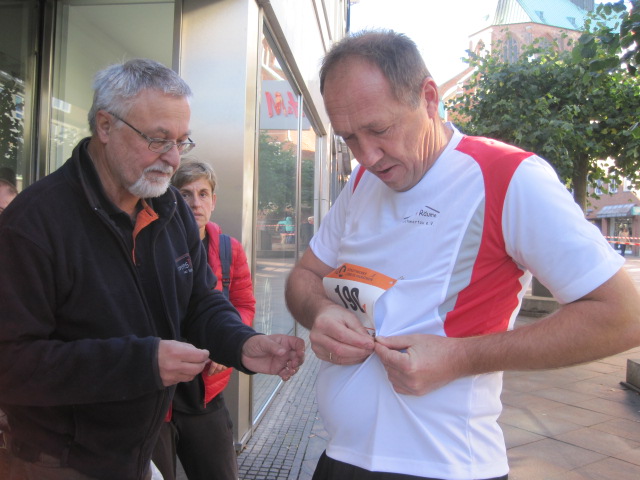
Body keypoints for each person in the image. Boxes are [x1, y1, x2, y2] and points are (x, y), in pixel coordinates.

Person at [284, 30, 640, 480]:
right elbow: (304, 277)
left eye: (380, 129)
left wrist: (461, 357)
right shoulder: (360, 183)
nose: (367, 156)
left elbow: (624, 316)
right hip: (340, 458)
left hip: (445, 467)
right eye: (349, 138)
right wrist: (320, 312)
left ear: (429, 98)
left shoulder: (508, 175)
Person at [0, 58, 304, 480]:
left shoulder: (170, 206)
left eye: (182, 141)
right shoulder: (33, 223)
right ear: (105, 126)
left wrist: (241, 343)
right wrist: (142, 363)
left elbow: (201, 302)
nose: (174, 158)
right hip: (57, 462)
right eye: (158, 140)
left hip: (137, 453)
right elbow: (11, 362)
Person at [151, 160, 256, 480]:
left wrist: (228, 344)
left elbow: (243, 304)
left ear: (213, 201)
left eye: (203, 194)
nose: (195, 203)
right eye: (185, 194)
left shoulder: (228, 249)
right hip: (157, 394)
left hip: (206, 390)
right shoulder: (151, 244)